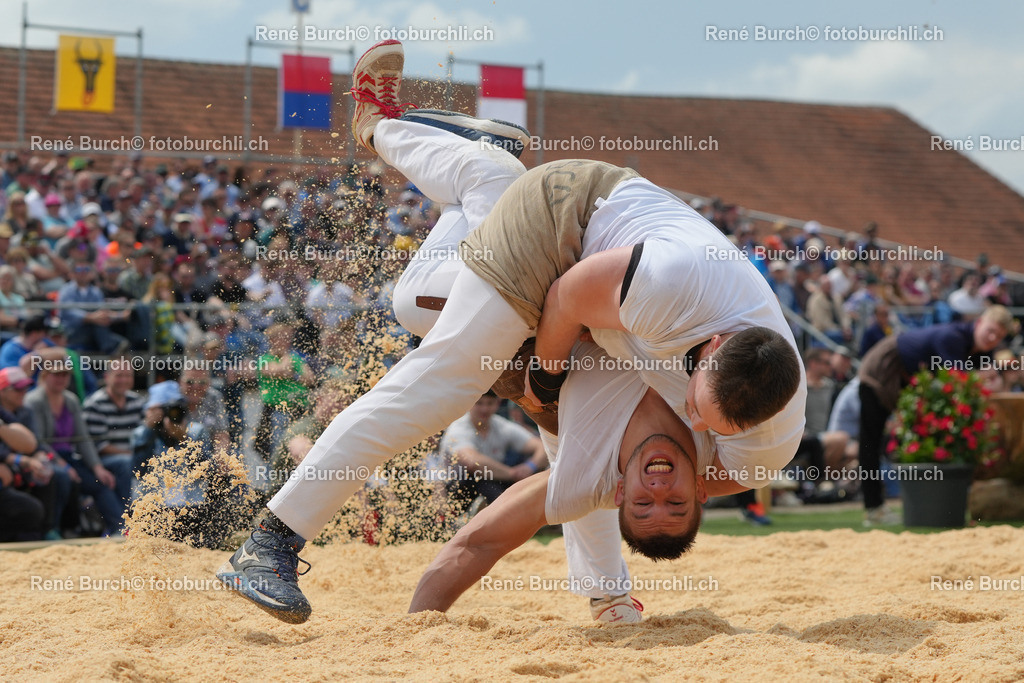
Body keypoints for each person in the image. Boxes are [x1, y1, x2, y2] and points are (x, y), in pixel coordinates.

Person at [217, 40, 804, 624]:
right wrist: (544, 383)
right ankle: (271, 541)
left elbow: (601, 473)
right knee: (446, 381)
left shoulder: (757, 443)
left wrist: (565, 411)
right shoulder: (671, 287)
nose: (693, 421)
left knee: (420, 298)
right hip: (567, 225)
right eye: (698, 407)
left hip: (602, 296)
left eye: (712, 429)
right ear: (714, 348)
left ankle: (423, 140)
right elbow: (567, 297)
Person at [857, 305, 1013, 525]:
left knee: (904, 440)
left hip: (908, 382)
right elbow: (956, 379)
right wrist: (983, 376)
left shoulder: (979, 351)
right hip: (881, 370)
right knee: (870, 442)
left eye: (999, 336)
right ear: (979, 323)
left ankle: (934, 505)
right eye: (990, 330)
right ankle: (873, 508)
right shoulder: (952, 337)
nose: (992, 338)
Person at [25, 360, 130, 535]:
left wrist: (97, 468)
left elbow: (83, 439)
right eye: (57, 374)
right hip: (45, 457)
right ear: (45, 376)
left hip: (69, 457)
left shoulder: (71, 400)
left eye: (65, 374)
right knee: (62, 478)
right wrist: (64, 465)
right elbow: (39, 441)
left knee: (101, 481)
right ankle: (53, 529)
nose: (61, 378)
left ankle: (120, 527)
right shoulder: (34, 401)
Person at [439, 390, 547, 517]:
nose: (484, 409)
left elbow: (542, 447)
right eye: (479, 403)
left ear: (497, 403)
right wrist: (512, 473)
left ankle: (526, 511)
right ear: (469, 404)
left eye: (489, 403)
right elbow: (472, 462)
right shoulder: (458, 428)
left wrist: (530, 466)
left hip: (494, 480)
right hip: (455, 488)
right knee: (480, 479)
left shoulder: (501, 425)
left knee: (531, 471)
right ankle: (495, 513)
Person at [82, 359, 146, 507]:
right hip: (103, 461)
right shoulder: (95, 404)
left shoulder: (137, 401)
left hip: (132, 456)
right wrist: (132, 454)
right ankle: (129, 511)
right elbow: (100, 446)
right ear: (107, 377)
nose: (124, 380)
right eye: (119, 375)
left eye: (128, 376)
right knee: (125, 463)